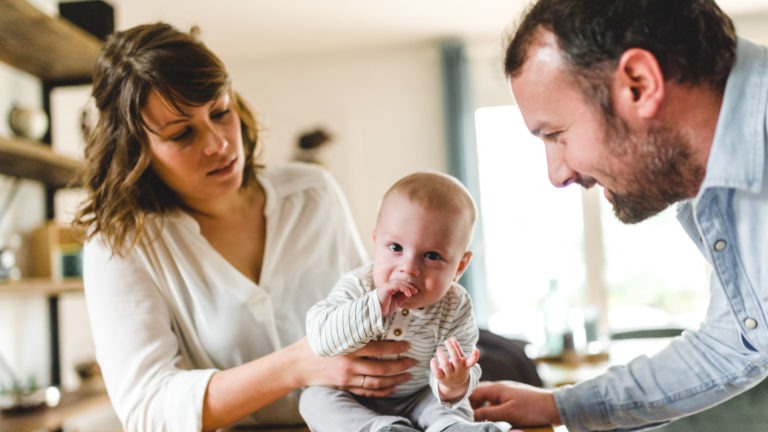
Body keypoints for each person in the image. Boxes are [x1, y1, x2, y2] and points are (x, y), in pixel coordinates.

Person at [73, 22, 416, 431]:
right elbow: (148, 408)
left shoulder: (312, 194)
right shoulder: (122, 245)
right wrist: (298, 365)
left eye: (221, 112)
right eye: (182, 134)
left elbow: (369, 314)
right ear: (135, 150)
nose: (218, 143)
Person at [470, 0, 768, 431]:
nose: (557, 174)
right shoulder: (715, 182)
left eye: (556, 135)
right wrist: (560, 406)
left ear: (639, 84)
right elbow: (739, 341)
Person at [300, 172, 500, 432]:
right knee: (313, 399)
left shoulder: (455, 305)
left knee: (451, 404)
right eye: (395, 248)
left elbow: (459, 371)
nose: (408, 268)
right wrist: (373, 306)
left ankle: (452, 428)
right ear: (376, 244)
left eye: (431, 255)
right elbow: (320, 339)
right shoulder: (361, 286)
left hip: (419, 395)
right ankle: (381, 429)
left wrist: (453, 383)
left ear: (459, 266)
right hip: (354, 397)